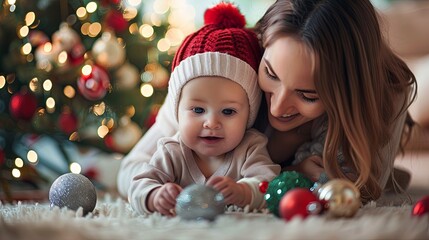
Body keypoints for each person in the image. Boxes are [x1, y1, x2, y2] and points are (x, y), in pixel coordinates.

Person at [118, 0, 417, 204]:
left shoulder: (386, 96)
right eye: (270, 74)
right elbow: (132, 168)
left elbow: (358, 191)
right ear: (262, 46)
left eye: (308, 95)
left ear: (347, 93)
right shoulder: (219, 70)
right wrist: (290, 176)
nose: (277, 107)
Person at [128, 3, 280, 216]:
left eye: (228, 112)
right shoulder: (172, 150)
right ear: (177, 111)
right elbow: (138, 183)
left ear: (249, 115)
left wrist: (244, 191)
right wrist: (154, 195)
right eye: (198, 110)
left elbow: (268, 183)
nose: (211, 123)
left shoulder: (250, 148)